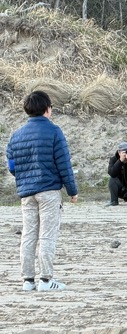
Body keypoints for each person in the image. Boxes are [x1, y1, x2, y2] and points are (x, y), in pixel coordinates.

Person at [5, 90, 79, 291]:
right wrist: (72, 190)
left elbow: (12, 166)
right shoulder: (54, 131)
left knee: (29, 235)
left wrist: (25, 178)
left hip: (26, 192)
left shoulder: (16, 135)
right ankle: (46, 280)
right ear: (48, 109)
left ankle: (27, 280)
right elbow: (63, 164)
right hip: (48, 191)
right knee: (47, 234)